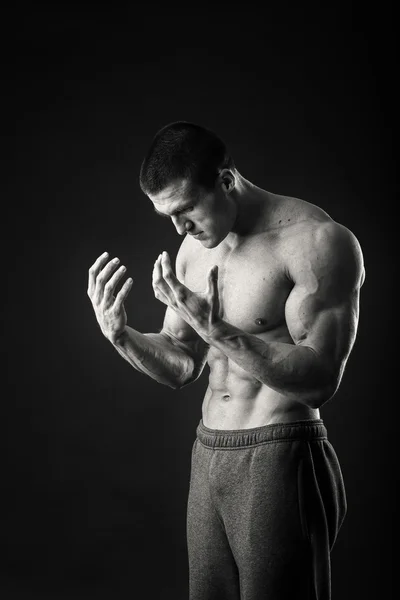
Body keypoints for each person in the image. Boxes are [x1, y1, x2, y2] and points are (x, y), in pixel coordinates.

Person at [87, 121, 365, 600]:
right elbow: (183, 365)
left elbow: (319, 379)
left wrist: (218, 330)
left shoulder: (316, 243)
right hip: (210, 453)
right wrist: (122, 337)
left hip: (280, 452)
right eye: (168, 217)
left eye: (187, 209)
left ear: (226, 180)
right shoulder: (194, 249)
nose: (180, 228)